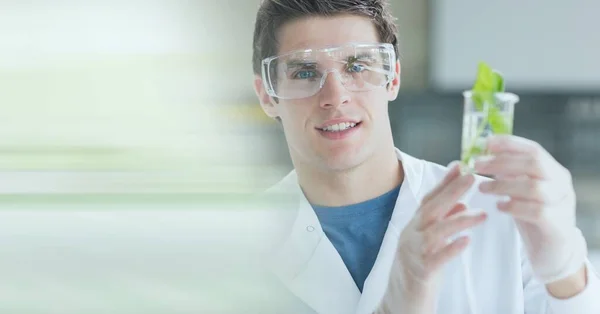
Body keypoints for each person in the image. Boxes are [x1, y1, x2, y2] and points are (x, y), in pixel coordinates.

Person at [250, 0, 600, 313]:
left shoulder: (499, 215)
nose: (335, 96)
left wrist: (566, 272)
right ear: (267, 96)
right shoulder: (237, 244)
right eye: (305, 72)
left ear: (393, 79)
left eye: (357, 66)